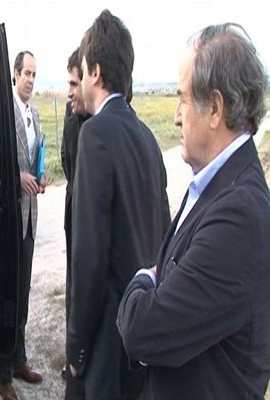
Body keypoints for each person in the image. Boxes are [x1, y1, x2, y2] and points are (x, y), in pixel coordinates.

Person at [117, 23, 270, 400]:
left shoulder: (239, 215)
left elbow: (142, 330)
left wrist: (143, 278)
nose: (175, 116)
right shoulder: (214, 181)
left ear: (215, 108)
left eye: (183, 99)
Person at [66, 9, 170, 400]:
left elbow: (89, 257)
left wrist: (76, 348)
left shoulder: (95, 134)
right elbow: (165, 234)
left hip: (107, 345)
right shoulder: (147, 137)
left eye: (82, 71)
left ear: (94, 72)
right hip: (142, 335)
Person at [0, 50, 45, 400]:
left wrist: (39, 177)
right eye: (26, 73)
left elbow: (34, 157)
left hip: (30, 216)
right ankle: (3, 376)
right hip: (9, 217)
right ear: (14, 75)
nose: (30, 79)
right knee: (9, 297)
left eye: (34, 74)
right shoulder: (4, 109)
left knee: (23, 296)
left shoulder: (35, 114)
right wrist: (17, 177)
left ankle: (19, 360)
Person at [60, 48, 90, 386]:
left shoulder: (98, 128)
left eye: (73, 83)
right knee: (72, 286)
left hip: (86, 214)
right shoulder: (71, 118)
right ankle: (72, 356)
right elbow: (67, 162)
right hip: (73, 210)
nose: (69, 93)